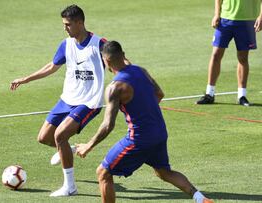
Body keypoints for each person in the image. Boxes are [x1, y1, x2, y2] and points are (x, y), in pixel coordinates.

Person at [76, 41, 214, 203]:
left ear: (106, 62)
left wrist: (88, 145)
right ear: (124, 54)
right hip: (159, 132)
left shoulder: (115, 87)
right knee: (163, 172)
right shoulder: (141, 71)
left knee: (103, 172)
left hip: (139, 139)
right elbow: (159, 94)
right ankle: (200, 198)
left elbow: (108, 125)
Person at [10, 5, 107, 197]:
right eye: (64, 24)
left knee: (60, 135)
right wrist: (26, 78)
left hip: (88, 102)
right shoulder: (66, 44)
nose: (65, 28)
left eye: (68, 24)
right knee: (44, 138)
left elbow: (122, 62)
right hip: (67, 99)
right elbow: (51, 66)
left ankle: (70, 187)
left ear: (80, 23)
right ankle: (69, 149)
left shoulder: (99, 44)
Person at [196, 0, 262, 106]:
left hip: (247, 21)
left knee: (243, 58)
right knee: (216, 54)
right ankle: (209, 94)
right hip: (225, 20)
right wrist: (217, 14)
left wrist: (261, 16)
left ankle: (241, 95)